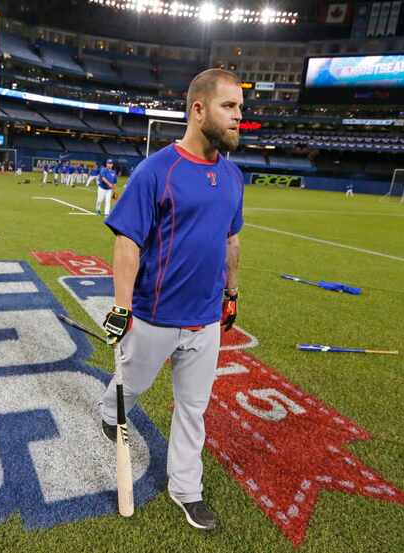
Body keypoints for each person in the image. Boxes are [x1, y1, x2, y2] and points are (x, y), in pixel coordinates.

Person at [99, 68, 244, 531]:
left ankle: (187, 490)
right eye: (229, 107)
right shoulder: (156, 170)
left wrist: (232, 292)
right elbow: (127, 242)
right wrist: (122, 306)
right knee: (131, 387)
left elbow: (232, 240)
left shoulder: (234, 175)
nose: (239, 116)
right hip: (154, 317)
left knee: (193, 410)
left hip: (204, 320)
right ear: (198, 110)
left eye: (241, 108)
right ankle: (108, 411)